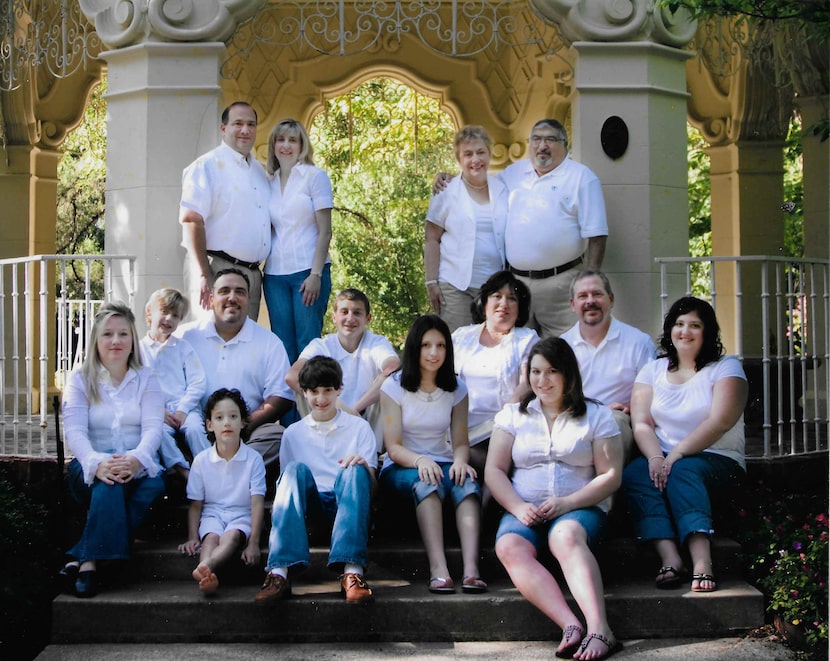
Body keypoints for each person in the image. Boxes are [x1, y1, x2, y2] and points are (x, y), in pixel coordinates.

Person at [485, 337, 623, 661]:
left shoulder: (597, 415)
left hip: (581, 510)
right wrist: (518, 507)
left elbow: (611, 475)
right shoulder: (512, 416)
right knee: (508, 546)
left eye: (551, 372)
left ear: (568, 374)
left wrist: (568, 503)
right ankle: (570, 625)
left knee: (564, 535)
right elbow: (494, 470)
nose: (541, 380)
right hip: (526, 509)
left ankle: (601, 629)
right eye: (535, 372)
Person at [434, 119, 608, 338]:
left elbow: (597, 235)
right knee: (516, 350)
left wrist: (589, 279)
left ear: (565, 144)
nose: (542, 145)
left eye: (550, 139)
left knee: (567, 349)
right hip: (517, 284)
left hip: (562, 284)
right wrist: (450, 179)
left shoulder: (582, 177)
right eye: (536, 139)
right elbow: (479, 184)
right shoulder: (513, 174)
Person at [622, 296, 748, 593]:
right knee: (636, 474)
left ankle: (702, 561)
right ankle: (670, 558)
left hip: (717, 459)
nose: (685, 331)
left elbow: (719, 422)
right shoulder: (652, 370)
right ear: (669, 329)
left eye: (695, 325)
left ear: (707, 332)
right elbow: (641, 423)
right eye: (679, 324)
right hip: (665, 458)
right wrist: (655, 457)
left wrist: (675, 455)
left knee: (683, 471)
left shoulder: (726, 368)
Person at [59, 302, 166, 598]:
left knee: (148, 486)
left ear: (133, 339)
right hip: (89, 465)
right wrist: (97, 461)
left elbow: (153, 430)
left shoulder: (148, 378)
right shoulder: (79, 379)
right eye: (107, 334)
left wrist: (135, 459)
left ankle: (84, 557)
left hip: (138, 465)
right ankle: (92, 565)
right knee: (107, 484)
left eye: (123, 334)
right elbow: (76, 432)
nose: (116, 341)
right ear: (96, 340)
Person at [255, 357, 377, 605]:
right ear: (304, 392)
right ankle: (279, 573)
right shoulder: (293, 433)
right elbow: (289, 488)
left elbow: (372, 486)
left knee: (355, 469)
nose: (321, 399)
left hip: (346, 509)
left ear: (339, 389)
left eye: (328, 391)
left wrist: (363, 466)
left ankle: (353, 572)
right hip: (311, 514)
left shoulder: (359, 428)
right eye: (314, 392)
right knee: (293, 470)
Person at [379, 315, 486, 594]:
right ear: (415, 348)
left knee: (467, 482)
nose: (434, 353)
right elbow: (393, 446)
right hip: (402, 465)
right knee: (428, 482)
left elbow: (461, 441)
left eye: (440, 346)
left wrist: (461, 461)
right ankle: (439, 570)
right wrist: (420, 460)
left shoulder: (457, 388)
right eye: (426, 345)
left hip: (443, 461)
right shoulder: (393, 387)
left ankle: (472, 571)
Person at [179, 268, 294, 469]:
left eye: (239, 292)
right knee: (163, 437)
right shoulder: (185, 337)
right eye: (225, 291)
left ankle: (208, 474)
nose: (232, 297)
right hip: (195, 428)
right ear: (212, 298)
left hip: (247, 433)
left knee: (279, 438)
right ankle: (231, 474)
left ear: (248, 298)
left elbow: (281, 397)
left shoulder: (269, 342)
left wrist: (242, 425)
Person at [180, 101, 270, 321]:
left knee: (243, 345)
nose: (245, 130)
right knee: (212, 342)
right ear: (223, 129)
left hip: (252, 275)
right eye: (238, 123)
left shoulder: (258, 170)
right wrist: (204, 274)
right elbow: (192, 220)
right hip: (216, 268)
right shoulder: (206, 166)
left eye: (251, 124)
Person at [451, 270, 538, 496]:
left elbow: (526, 383)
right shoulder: (461, 336)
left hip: (504, 427)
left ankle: (484, 525)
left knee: (494, 463)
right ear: (484, 302)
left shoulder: (526, 338)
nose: (503, 303)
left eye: (512, 298)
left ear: (520, 307)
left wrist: (504, 417)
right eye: (496, 296)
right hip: (462, 428)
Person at [285, 288, 400, 451]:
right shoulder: (321, 345)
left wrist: (354, 411)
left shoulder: (376, 343)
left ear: (368, 318)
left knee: (391, 382)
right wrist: (339, 407)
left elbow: (393, 367)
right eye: (344, 312)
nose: (350, 318)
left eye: (357, 313)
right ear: (334, 317)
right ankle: (315, 441)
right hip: (327, 412)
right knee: (303, 385)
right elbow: (291, 376)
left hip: (366, 417)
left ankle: (375, 451)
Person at [561, 271, 656, 461]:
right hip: (575, 419)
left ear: (611, 300)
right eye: (582, 296)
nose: (590, 301)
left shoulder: (638, 342)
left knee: (612, 422)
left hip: (618, 423)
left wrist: (630, 406)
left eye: (597, 294)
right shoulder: (562, 347)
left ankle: (605, 488)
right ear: (573, 305)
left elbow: (654, 395)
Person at [179, 388, 266, 594]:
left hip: (242, 515)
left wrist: (253, 543)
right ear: (209, 425)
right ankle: (207, 573)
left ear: (243, 422)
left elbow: (257, 502)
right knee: (210, 538)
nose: (226, 422)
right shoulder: (201, 460)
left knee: (232, 536)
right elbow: (195, 505)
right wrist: (193, 537)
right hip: (213, 514)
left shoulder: (253, 459)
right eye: (219, 417)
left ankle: (207, 568)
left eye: (233, 416)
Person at [424, 125, 509, 332]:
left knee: (492, 349)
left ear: (489, 154)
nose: (475, 160)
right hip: (454, 286)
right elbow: (431, 238)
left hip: (494, 288)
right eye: (468, 154)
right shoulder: (446, 191)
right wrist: (431, 282)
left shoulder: (504, 188)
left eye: (480, 152)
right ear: (459, 159)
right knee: (457, 348)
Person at [262, 118, 333, 364]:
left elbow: (325, 231)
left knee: (308, 346)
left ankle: (312, 403)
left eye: (293, 140)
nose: (286, 145)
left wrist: (315, 275)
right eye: (280, 139)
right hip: (274, 276)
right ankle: (288, 405)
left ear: (302, 145)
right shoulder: (266, 183)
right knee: (282, 347)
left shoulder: (315, 177)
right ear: (273, 146)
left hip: (308, 272)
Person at [139, 288, 208, 479]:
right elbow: (136, 385)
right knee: (157, 433)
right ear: (149, 314)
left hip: (185, 408)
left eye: (175, 315)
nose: (169, 319)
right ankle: (182, 469)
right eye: (164, 312)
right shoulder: (139, 350)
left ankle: (210, 467)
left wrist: (183, 409)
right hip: (157, 411)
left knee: (195, 429)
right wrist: (157, 411)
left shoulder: (183, 347)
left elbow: (197, 382)